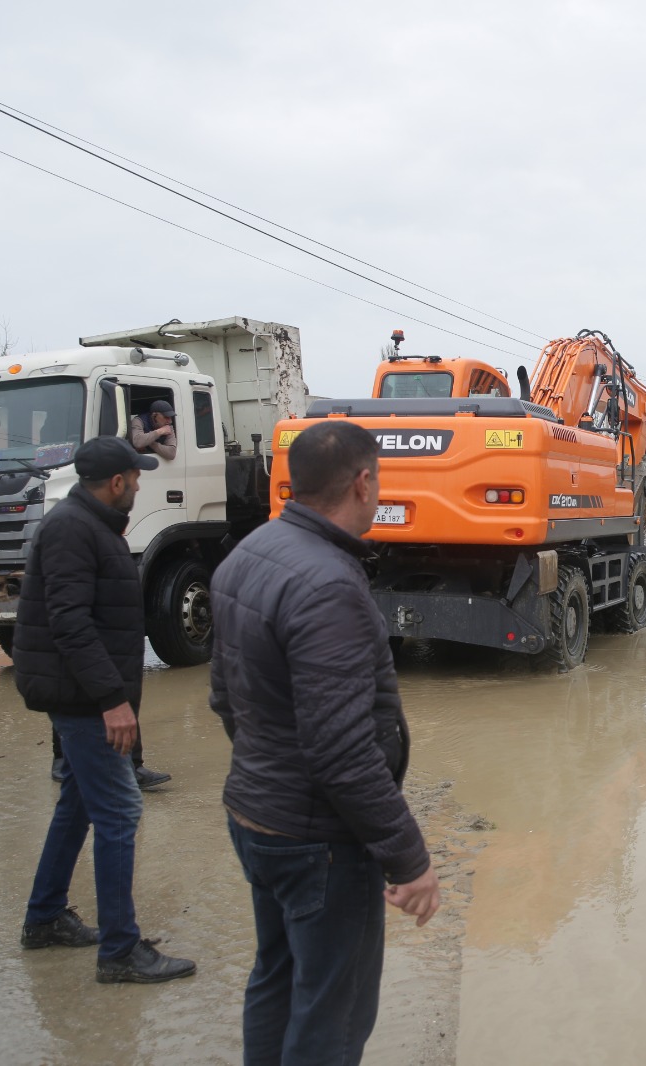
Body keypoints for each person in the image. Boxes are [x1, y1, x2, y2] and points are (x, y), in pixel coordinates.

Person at [210, 421, 438, 1063]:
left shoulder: (247, 554)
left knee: (277, 980)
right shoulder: (329, 586)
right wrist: (408, 857)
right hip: (320, 844)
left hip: (256, 817)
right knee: (332, 1017)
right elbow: (342, 752)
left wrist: (269, 772)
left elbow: (226, 699)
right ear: (363, 483)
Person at [13, 435, 195, 984]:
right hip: (82, 696)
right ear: (116, 483)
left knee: (78, 802)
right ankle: (119, 951)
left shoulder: (89, 524)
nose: (140, 484)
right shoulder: (73, 529)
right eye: (135, 478)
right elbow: (70, 622)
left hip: (80, 691)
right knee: (120, 811)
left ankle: (44, 919)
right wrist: (112, 700)